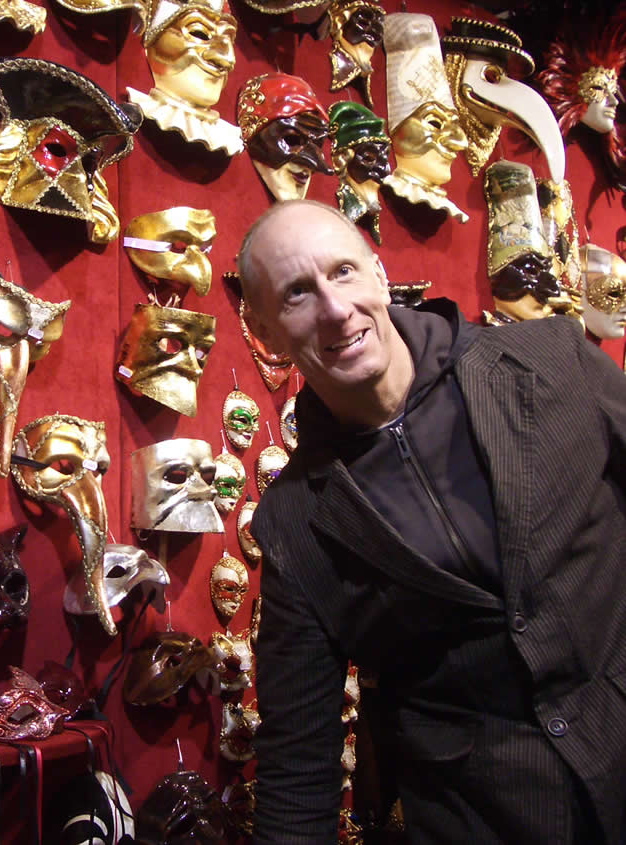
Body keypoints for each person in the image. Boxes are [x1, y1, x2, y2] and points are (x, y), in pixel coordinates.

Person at [237, 199, 626, 844]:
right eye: (297, 293)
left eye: (343, 272)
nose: (336, 309)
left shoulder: (551, 359)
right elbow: (298, 764)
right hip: (485, 820)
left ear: (379, 274)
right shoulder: (295, 523)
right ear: (265, 332)